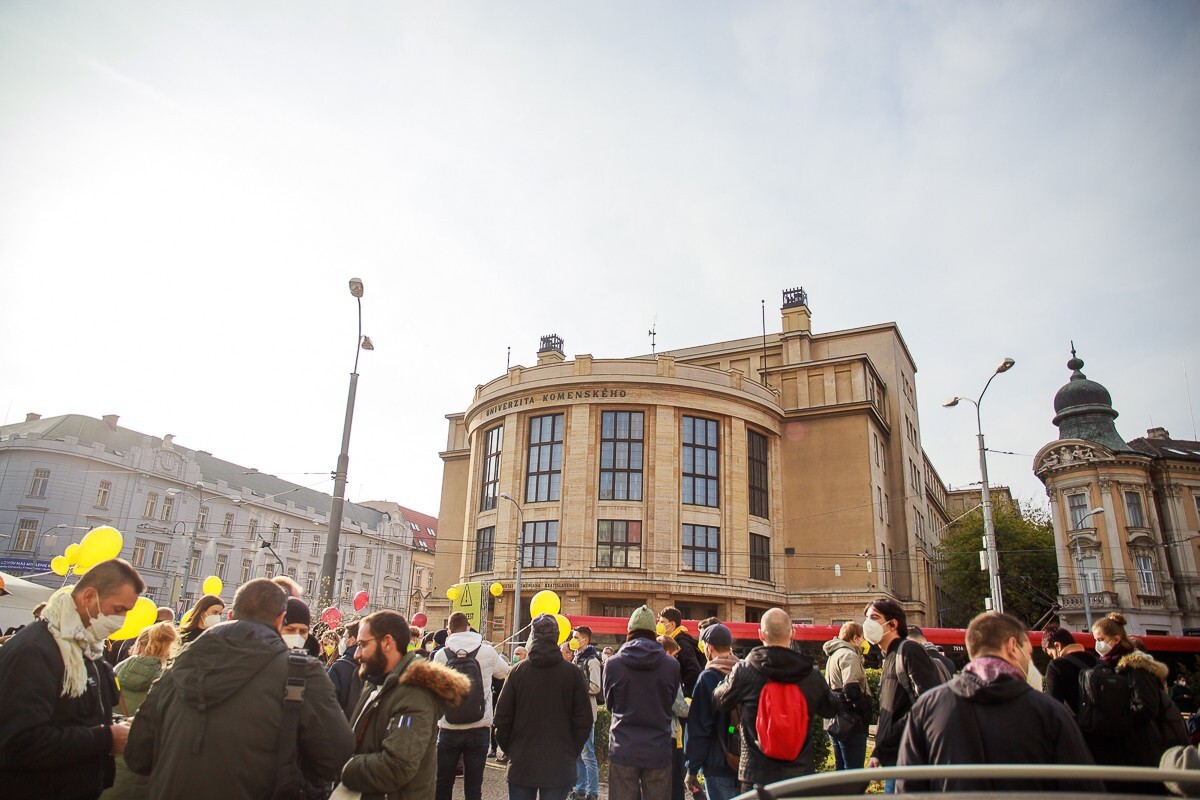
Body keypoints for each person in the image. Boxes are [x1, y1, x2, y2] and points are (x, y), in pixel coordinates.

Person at [124, 578, 353, 797]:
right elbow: (337, 756)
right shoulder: (300, 672)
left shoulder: (179, 665)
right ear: (280, 619)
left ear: (232, 614)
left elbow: (137, 755)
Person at [897, 611, 1102, 793]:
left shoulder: (927, 707)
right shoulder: (1049, 711)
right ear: (1013, 646)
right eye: (1029, 654)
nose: (1029, 663)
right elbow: (1083, 789)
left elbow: (908, 787)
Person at [0, 558, 144, 799]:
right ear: (88, 597)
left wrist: (118, 724)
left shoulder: (85, 648)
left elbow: (76, 714)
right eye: (119, 610)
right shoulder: (35, 649)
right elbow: (19, 742)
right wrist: (106, 737)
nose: (122, 621)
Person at [341, 610, 470, 798]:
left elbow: (397, 766)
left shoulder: (414, 693)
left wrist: (343, 766)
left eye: (362, 644)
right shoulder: (377, 682)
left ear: (387, 642)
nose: (357, 654)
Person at [714, 607, 840, 791]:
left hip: (756, 774)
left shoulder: (745, 671)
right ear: (792, 633)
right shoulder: (811, 675)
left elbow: (720, 700)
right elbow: (832, 708)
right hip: (800, 775)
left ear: (760, 635)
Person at [495, 614, 593, 799]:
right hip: (559, 764)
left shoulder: (517, 672)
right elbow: (584, 721)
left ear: (533, 636)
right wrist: (570, 750)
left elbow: (501, 719)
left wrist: (512, 750)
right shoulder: (572, 673)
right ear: (556, 637)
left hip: (522, 762)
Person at [1089, 611, 1188, 792]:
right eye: (1095, 639)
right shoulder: (1110, 666)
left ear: (1116, 639)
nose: (1097, 644)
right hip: (1129, 748)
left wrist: (1114, 719)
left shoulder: (1136, 667)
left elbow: (1146, 707)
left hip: (1144, 749)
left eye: (1101, 639)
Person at [864, 597, 945, 791]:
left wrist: (890, 737)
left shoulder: (908, 650)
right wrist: (878, 752)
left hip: (910, 759)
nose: (867, 624)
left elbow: (928, 702)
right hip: (896, 759)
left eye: (874, 617)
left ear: (893, 624)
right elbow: (889, 713)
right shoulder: (890, 658)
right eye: (866, 618)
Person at [603, 605, 681, 800]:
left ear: (629, 631)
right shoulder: (671, 665)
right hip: (658, 748)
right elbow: (670, 702)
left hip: (623, 746)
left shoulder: (613, 664)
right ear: (654, 633)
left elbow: (610, 703)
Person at [431, 612, 510, 800]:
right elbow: (504, 672)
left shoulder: (441, 655)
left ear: (449, 631)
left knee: (443, 783)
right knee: (474, 786)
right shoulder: (487, 651)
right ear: (468, 627)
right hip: (479, 726)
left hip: (448, 727)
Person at [101, 622, 178, 800]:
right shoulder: (170, 682)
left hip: (109, 766)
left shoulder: (113, 673)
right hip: (145, 770)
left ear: (139, 645)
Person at [685, 623, 740, 800]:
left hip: (718, 761)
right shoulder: (744, 671)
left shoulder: (708, 677)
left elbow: (700, 727)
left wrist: (692, 768)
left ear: (708, 647)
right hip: (745, 762)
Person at [823, 621, 872, 772]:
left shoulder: (834, 654)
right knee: (853, 769)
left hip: (836, 720)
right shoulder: (849, 655)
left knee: (841, 767)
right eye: (863, 637)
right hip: (851, 721)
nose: (864, 642)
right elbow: (851, 689)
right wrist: (864, 712)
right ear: (855, 638)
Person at [569, 625, 603, 800]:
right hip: (576, 713)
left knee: (588, 754)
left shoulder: (592, 660)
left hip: (588, 714)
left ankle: (593, 791)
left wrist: (578, 685)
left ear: (585, 639)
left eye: (576, 637)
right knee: (578, 755)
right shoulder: (576, 658)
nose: (573, 640)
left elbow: (596, 687)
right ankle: (580, 789)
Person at [657, 635, 690, 800]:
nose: (677, 659)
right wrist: (692, 704)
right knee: (675, 784)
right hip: (671, 734)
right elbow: (681, 708)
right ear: (668, 652)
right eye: (675, 655)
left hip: (651, 736)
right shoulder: (669, 673)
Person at [1042, 624, 1097, 717]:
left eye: (1051, 654)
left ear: (1057, 646)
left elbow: (1053, 706)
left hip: (1078, 728)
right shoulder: (1097, 660)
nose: (1053, 658)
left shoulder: (1056, 666)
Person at [659, 606, 701, 696]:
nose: (659, 625)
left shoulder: (682, 644)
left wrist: (680, 689)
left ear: (672, 624)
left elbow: (694, 671)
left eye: (662, 622)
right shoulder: (673, 641)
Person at [328, 620, 364, 719]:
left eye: (344, 637)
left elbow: (328, 705)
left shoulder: (339, 667)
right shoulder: (371, 665)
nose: (342, 641)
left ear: (352, 640)